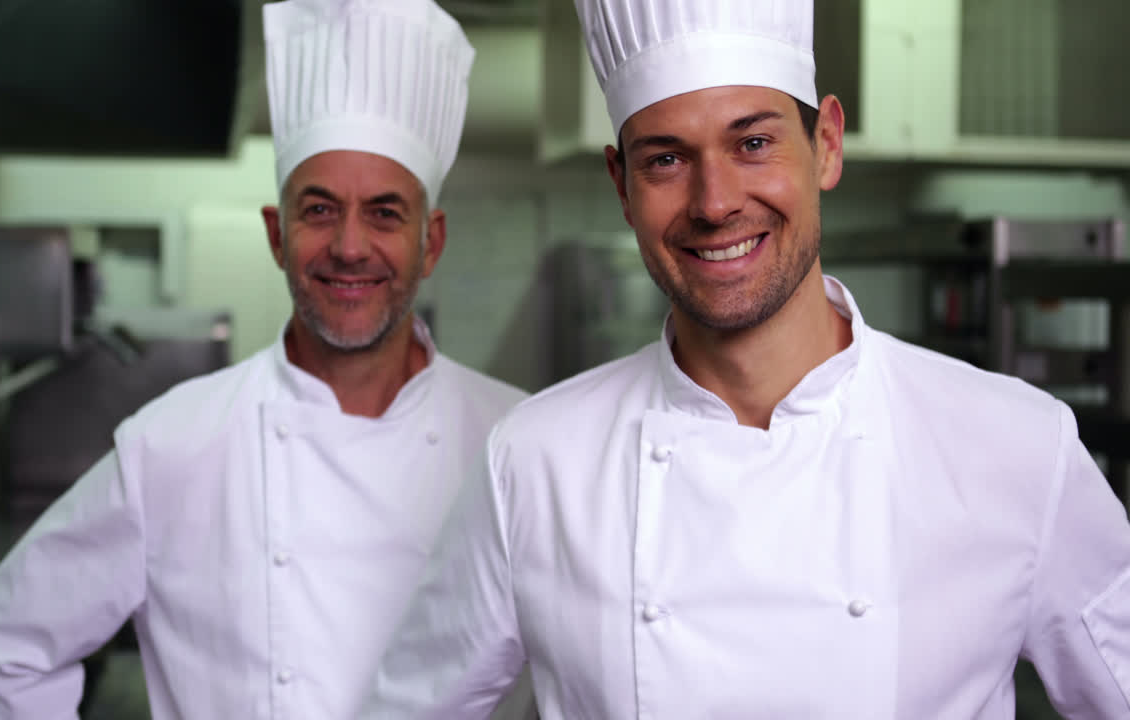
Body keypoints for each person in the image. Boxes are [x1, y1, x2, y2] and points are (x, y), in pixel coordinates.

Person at [359, 0, 1130, 717]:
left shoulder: (1017, 447)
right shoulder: (534, 463)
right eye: (666, 159)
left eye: (753, 143)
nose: (715, 202)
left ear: (826, 145)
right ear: (621, 185)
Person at [0, 1, 536, 717]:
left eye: (385, 213)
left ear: (431, 242)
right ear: (276, 235)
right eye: (318, 210)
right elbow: (2, 650)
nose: (350, 247)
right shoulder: (173, 444)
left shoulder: (521, 446)